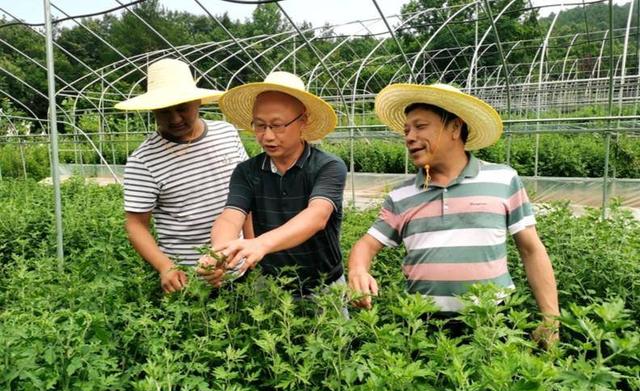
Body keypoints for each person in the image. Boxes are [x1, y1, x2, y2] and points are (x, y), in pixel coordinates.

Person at [348, 83, 560, 347]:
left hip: (491, 321)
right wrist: (357, 269)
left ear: (454, 128)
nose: (409, 137)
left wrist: (550, 318)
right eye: (406, 130)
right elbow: (366, 245)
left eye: (420, 126)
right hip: (423, 325)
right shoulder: (402, 196)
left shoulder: (503, 179)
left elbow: (531, 250)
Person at [197, 71, 347, 296]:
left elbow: (317, 216)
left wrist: (261, 243)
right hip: (271, 286)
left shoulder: (327, 166)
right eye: (259, 125)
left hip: (324, 286)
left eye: (277, 125)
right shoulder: (247, 172)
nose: (267, 136)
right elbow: (231, 215)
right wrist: (220, 252)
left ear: (303, 121)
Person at [115, 58, 249, 294]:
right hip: (188, 280)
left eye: (182, 108)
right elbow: (136, 226)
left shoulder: (227, 134)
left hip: (240, 267)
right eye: (165, 111)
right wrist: (165, 267)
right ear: (152, 109)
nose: (175, 118)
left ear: (197, 101)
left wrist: (251, 246)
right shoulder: (143, 160)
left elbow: (247, 196)